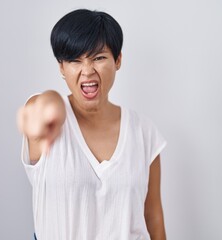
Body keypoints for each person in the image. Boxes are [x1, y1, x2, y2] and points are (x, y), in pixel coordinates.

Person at [17, 9, 167, 240]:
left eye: (98, 57)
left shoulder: (144, 132)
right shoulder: (47, 120)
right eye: (75, 60)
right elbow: (38, 110)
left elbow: (153, 216)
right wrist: (52, 101)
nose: (87, 71)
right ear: (61, 67)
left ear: (118, 60)